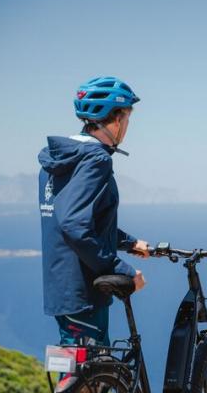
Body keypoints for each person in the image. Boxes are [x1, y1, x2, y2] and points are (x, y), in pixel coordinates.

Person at [38, 75, 148, 360]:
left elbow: (86, 217)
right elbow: (74, 224)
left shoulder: (60, 158)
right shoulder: (96, 159)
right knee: (88, 378)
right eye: (127, 118)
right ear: (116, 118)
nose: (127, 127)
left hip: (61, 286)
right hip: (85, 289)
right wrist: (123, 270)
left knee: (77, 373)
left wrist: (130, 242)